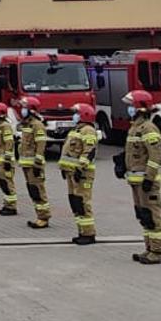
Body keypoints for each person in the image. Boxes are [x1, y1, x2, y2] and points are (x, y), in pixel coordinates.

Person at [121, 90, 161, 264]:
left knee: (152, 215)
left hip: (146, 182)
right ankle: (149, 248)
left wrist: (149, 178)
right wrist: (122, 163)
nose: (128, 109)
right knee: (144, 215)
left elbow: (155, 156)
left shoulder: (148, 128)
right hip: (136, 182)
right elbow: (135, 153)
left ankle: (157, 251)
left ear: (139, 108)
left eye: (130, 106)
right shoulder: (135, 128)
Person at [58, 102, 101, 245]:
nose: (74, 116)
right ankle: (81, 231)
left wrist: (80, 169)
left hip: (82, 174)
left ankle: (89, 234)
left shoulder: (88, 131)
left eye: (76, 113)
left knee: (83, 203)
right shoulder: (76, 130)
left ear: (84, 115)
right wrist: (64, 167)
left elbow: (89, 152)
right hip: (71, 173)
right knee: (75, 202)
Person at [16, 97, 53, 229]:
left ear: (31, 110)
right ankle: (39, 216)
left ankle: (44, 217)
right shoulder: (27, 124)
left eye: (25, 107)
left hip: (34, 165)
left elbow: (41, 145)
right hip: (26, 164)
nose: (22, 110)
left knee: (38, 191)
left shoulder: (37, 125)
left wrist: (37, 163)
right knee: (33, 191)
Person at [0, 101, 20, 217]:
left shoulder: (5, 126)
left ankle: (12, 207)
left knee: (8, 183)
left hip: (5, 161)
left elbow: (9, 143)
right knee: (3, 183)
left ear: (0, 113)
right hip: (0, 161)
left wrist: (7, 159)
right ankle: (7, 204)